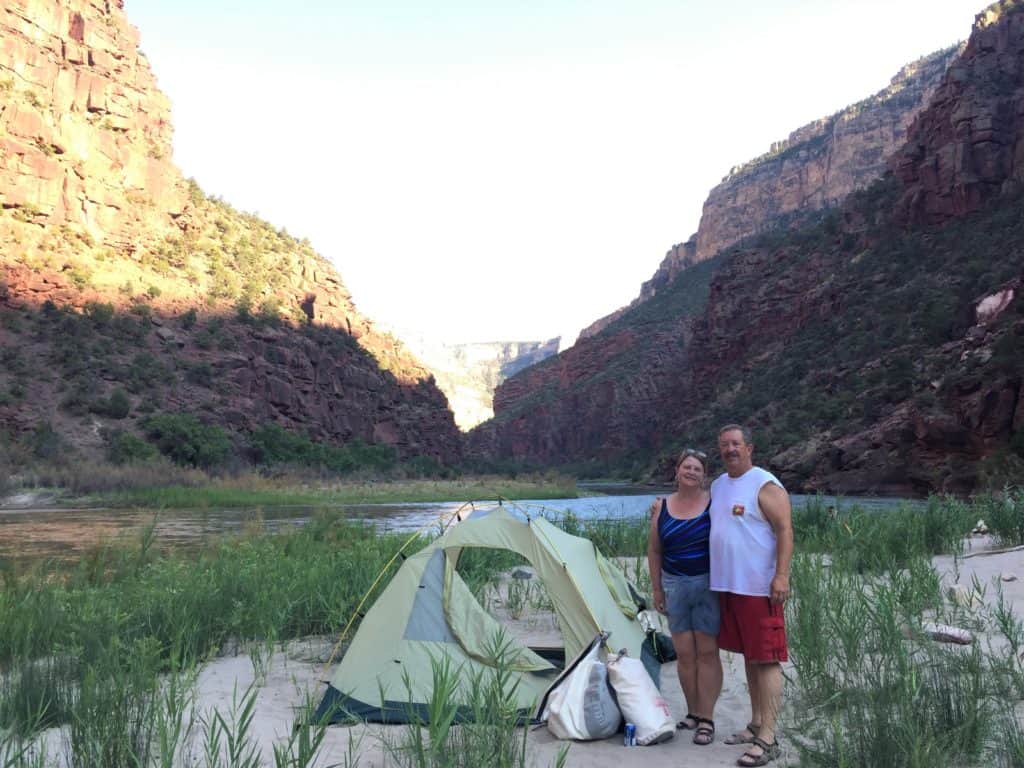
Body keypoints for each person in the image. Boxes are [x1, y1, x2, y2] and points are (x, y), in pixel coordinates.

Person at [709, 424, 793, 767]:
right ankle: (756, 722)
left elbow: (785, 529)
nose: (730, 449)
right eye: (724, 444)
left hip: (759, 588)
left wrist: (782, 575)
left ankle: (768, 738)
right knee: (749, 656)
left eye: (736, 444)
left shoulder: (764, 483)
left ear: (749, 448)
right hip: (729, 586)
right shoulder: (718, 485)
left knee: (767, 658)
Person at [647, 448, 722, 747]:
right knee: (685, 654)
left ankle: (707, 718)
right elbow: (654, 550)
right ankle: (692, 712)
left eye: (697, 468)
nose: (691, 471)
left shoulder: (714, 504)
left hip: (708, 585)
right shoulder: (661, 506)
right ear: (676, 471)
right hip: (674, 585)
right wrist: (656, 589)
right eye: (686, 467)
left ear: (704, 476)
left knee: (707, 652)